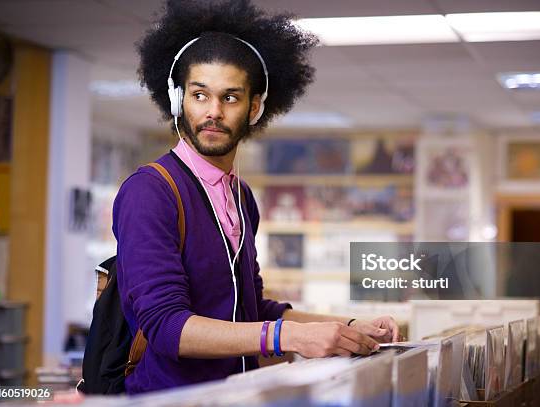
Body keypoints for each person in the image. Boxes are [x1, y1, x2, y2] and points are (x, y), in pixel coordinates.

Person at [113, 0, 400, 394]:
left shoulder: (241, 197)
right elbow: (167, 328)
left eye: (230, 97)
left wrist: (345, 329)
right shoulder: (150, 191)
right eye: (200, 95)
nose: (213, 111)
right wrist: (286, 338)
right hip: (170, 399)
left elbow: (250, 311)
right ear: (179, 99)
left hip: (236, 396)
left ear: (254, 107)